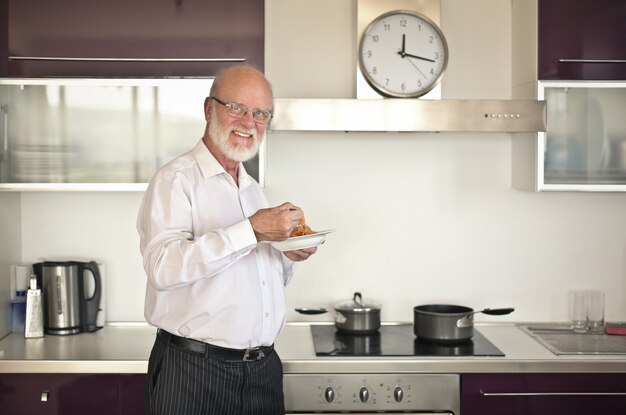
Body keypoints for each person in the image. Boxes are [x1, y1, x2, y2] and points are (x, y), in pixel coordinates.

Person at [137, 65, 317, 415]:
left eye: (261, 113)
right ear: (209, 110)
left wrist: (288, 254)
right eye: (236, 107)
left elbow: (256, 273)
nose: (249, 122)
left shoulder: (252, 190)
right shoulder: (175, 180)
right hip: (194, 373)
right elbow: (162, 267)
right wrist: (251, 229)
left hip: (262, 371)